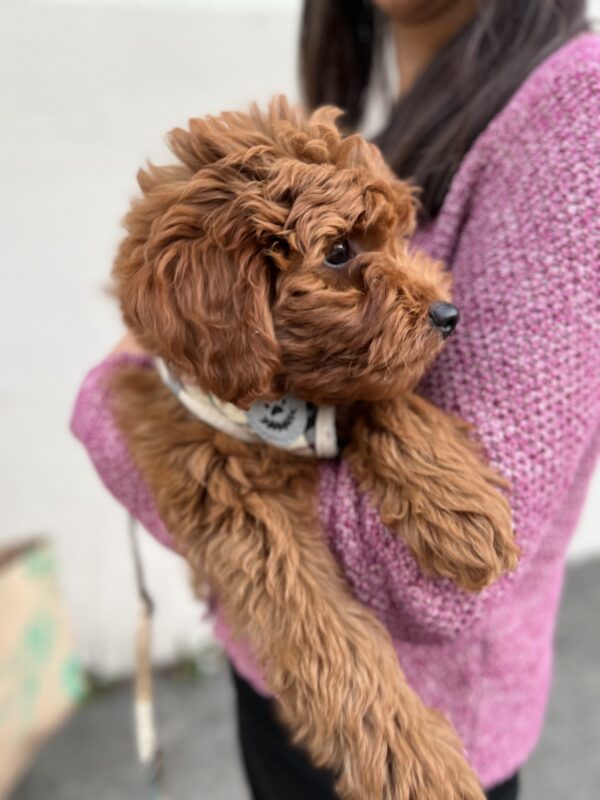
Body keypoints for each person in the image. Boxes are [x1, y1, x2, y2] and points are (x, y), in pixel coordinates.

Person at [71, 1, 600, 798]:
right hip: (278, 689)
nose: (429, 291)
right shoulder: (379, 88)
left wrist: (107, 400)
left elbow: (443, 577)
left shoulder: (576, 120)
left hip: (436, 740)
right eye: (348, 253)